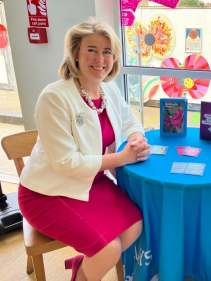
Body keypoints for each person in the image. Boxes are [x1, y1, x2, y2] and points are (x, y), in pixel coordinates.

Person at [18, 18, 151, 281]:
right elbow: (66, 163)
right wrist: (122, 157)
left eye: (107, 51)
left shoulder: (108, 89)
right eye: (91, 49)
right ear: (75, 54)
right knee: (108, 249)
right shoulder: (54, 97)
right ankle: (83, 273)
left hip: (92, 181)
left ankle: (86, 264)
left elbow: (129, 120)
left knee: (135, 226)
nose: (100, 58)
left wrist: (136, 137)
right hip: (47, 192)